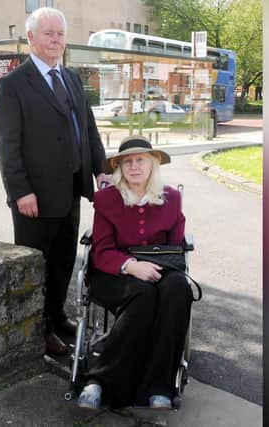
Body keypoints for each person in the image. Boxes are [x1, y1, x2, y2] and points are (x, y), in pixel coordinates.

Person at [0, 7, 110, 356]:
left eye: (60, 33)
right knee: (38, 265)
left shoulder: (72, 78)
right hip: (35, 198)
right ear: (31, 38)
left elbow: (88, 129)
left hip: (71, 190)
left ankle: (57, 317)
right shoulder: (13, 85)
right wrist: (20, 192)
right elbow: (6, 146)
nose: (56, 39)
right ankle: (40, 330)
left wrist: (100, 169)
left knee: (63, 260)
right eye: (48, 33)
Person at [77, 135, 193, 410]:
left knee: (178, 290)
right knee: (142, 295)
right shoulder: (106, 200)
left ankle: (159, 386)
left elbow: (176, 247)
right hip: (112, 274)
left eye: (140, 159)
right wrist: (131, 266)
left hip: (161, 270)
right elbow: (102, 250)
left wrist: (154, 269)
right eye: (127, 161)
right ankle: (100, 381)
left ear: (152, 164)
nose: (134, 166)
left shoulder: (171, 198)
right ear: (119, 168)